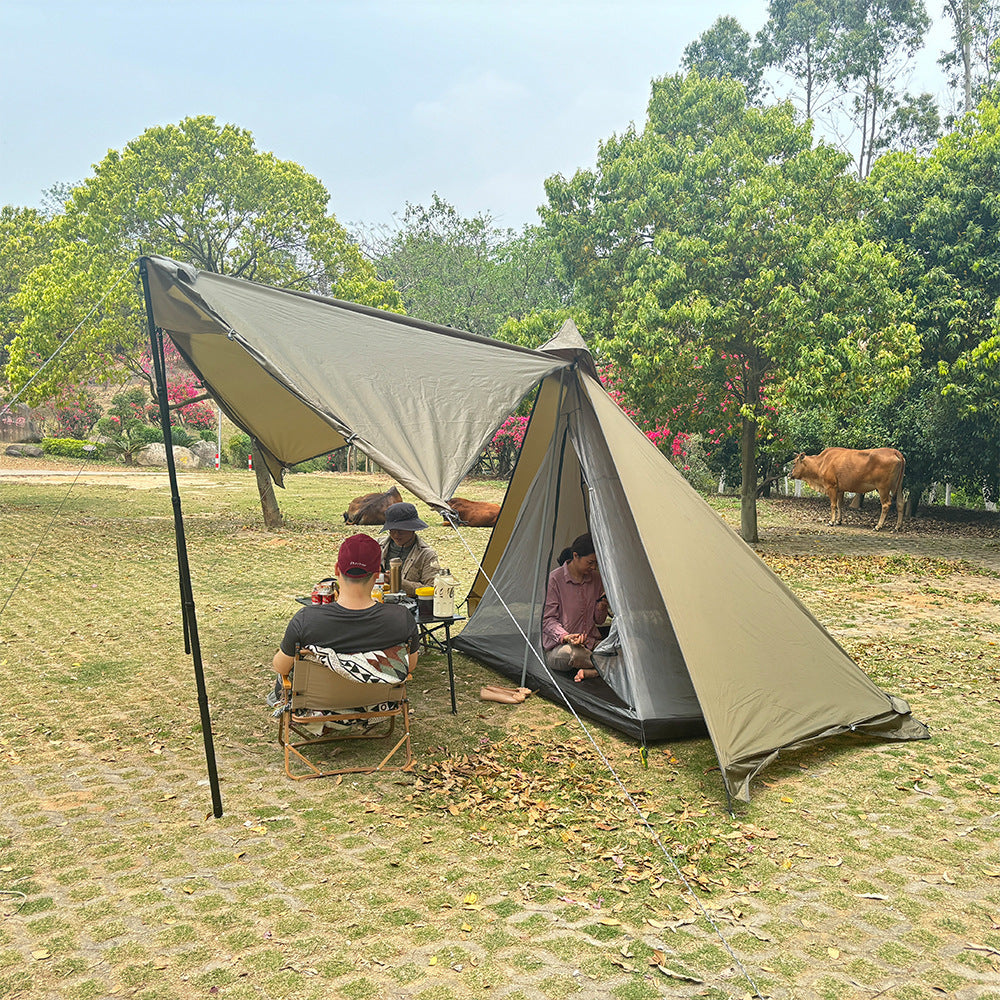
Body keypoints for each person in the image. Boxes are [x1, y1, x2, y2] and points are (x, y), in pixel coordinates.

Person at [273, 533, 420, 695]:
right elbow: (410, 665)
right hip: (378, 704)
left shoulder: (306, 620)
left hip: (319, 704)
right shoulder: (401, 618)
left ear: (337, 569)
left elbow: (281, 667)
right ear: (377, 574)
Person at [541, 532, 610, 683]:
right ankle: (607, 666)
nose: (593, 567)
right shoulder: (555, 579)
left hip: (591, 644)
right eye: (590, 562)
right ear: (575, 556)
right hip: (562, 648)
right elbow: (547, 620)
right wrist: (566, 637)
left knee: (629, 649)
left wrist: (601, 606)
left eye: (596, 563)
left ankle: (593, 671)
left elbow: (599, 620)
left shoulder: (596, 578)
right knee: (573, 654)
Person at [379, 502, 442, 598]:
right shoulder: (376, 546)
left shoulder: (426, 555)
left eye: (401, 530)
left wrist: (397, 582)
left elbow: (432, 589)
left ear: (413, 528)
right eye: (392, 529)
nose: (396, 535)